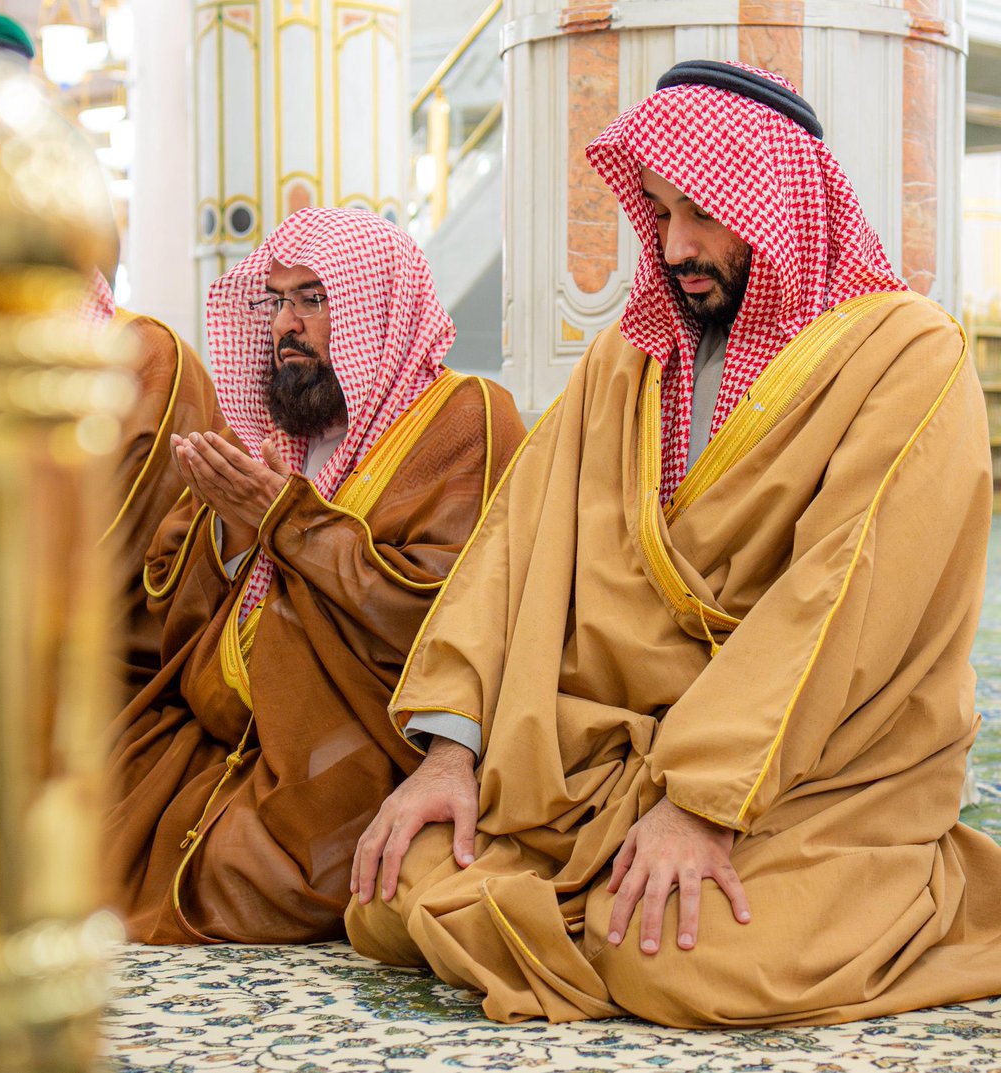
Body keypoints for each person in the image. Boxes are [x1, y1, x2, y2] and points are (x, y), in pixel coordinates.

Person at [346, 60, 1001, 1027]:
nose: (675, 245)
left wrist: (701, 802)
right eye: (657, 212)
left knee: (678, 964)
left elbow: (842, 598)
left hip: (817, 774)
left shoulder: (908, 356)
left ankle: (944, 902)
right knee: (392, 887)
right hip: (601, 768)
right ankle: (602, 896)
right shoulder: (629, 360)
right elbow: (513, 549)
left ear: (778, 204)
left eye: (703, 212)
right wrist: (450, 753)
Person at [102, 206, 526, 944]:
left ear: (374, 310)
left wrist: (287, 521)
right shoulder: (272, 429)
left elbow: (438, 610)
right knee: (78, 830)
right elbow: (168, 592)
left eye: (313, 300)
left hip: (352, 742)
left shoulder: (466, 418)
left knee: (246, 880)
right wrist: (233, 527)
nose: (285, 326)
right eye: (277, 301)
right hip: (220, 734)